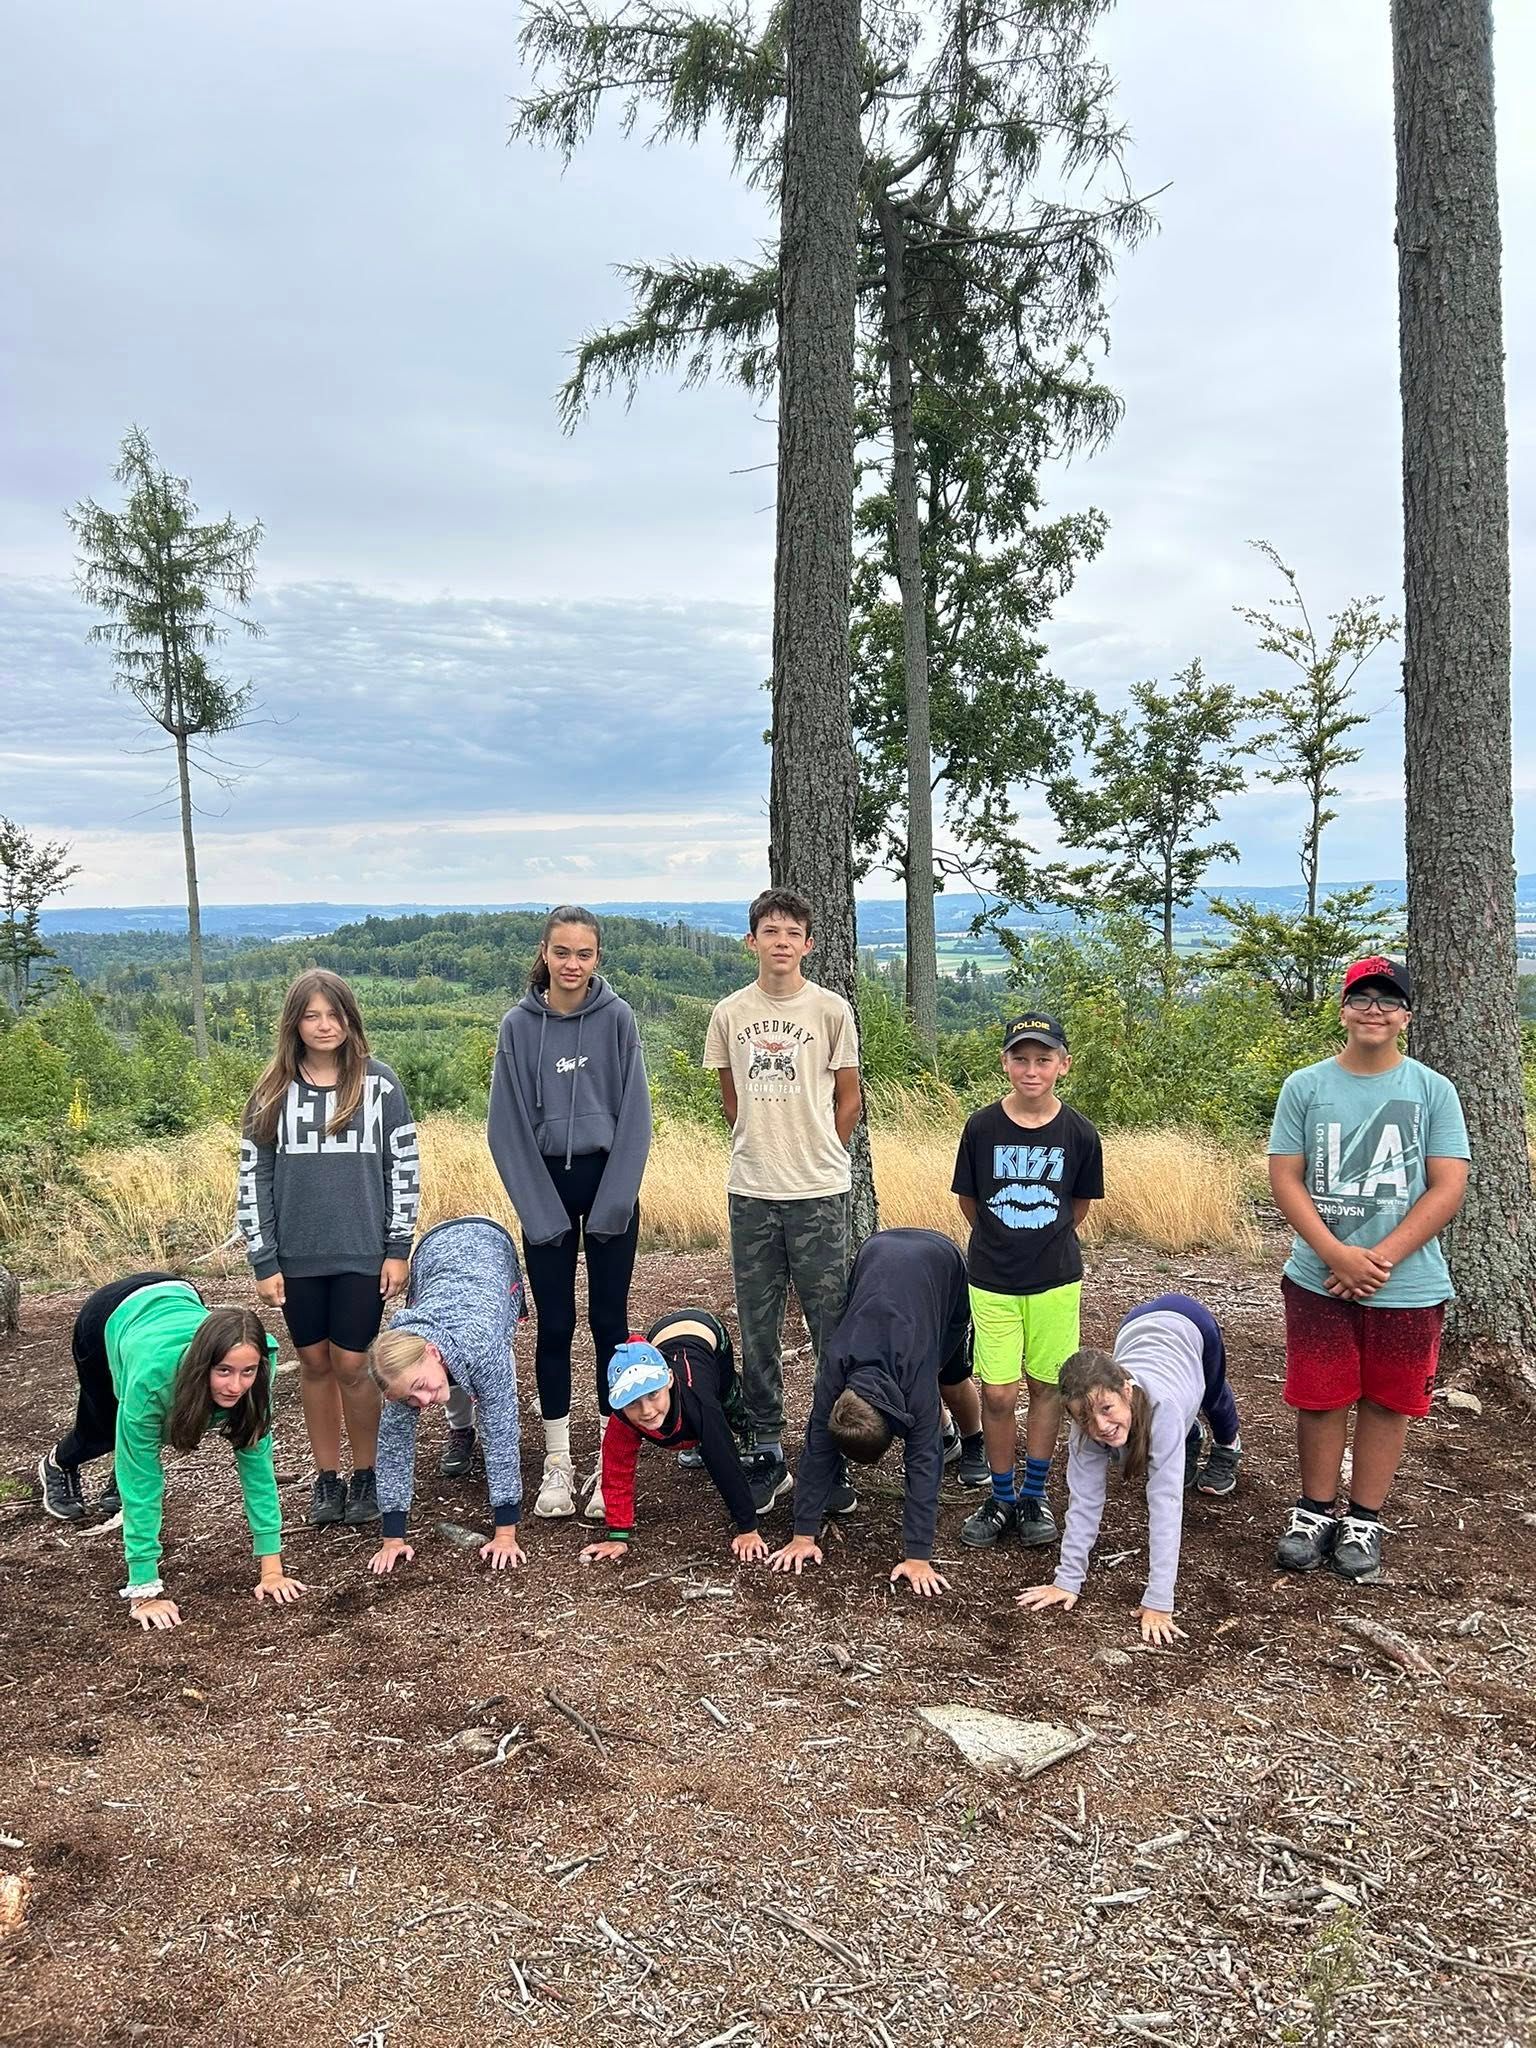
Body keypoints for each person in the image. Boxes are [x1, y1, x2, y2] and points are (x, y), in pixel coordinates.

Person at [1267, 956, 1469, 1585]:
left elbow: (1448, 1184)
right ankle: (1313, 1511)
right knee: (1320, 1398)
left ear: (1406, 1015)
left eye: (1388, 1000)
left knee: (1387, 1403)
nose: (1373, 1009)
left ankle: (1363, 1520)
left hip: (1407, 1284)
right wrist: (1336, 1254)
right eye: (1361, 997)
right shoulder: (1306, 1087)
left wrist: (1377, 1259)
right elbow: (1285, 1176)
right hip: (1318, 1278)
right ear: (1343, 1009)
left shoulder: (1433, 1091)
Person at [487, 906, 651, 1527]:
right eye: (562, 952)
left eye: (584, 954)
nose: (572, 964)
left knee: (610, 1324)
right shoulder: (517, 1026)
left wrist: (615, 1201)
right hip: (545, 1187)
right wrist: (538, 1209)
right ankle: (558, 1460)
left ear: (597, 958)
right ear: (545, 953)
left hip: (608, 1181)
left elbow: (636, 1116)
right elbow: (504, 1127)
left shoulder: (617, 1018)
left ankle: (611, 1462)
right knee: (555, 1325)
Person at [237, 969, 419, 1530]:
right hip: (297, 1256)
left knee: (353, 1363)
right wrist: (263, 1259)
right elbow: (253, 1178)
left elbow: (403, 1169)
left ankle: (367, 1473)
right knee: (315, 1364)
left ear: (350, 1019)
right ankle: (327, 1476)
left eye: (333, 1014)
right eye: (311, 1015)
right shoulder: (271, 1091)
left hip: (363, 1252)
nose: (324, 1025)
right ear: (294, 1023)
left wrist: (398, 1246)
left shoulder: (380, 1085)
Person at [703, 887, 862, 1515]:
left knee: (830, 1325)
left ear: (808, 944)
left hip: (818, 1190)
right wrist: (760, 1144)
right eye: (770, 931)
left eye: (793, 933)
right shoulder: (729, 1013)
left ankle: (829, 1447)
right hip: (752, 1189)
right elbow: (730, 1096)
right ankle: (766, 1444)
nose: (781, 942)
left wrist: (823, 1149)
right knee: (758, 1323)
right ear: (752, 941)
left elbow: (849, 1096)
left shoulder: (831, 1011)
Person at [37, 1273, 306, 1631]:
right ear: (203, 1363)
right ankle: (59, 1463)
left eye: (247, 1371)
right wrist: (144, 1590)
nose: (235, 1385)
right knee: (102, 1433)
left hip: (177, 1294)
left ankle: (128, 1457)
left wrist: (272, 1571)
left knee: (140, 1438)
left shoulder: (256, 1381)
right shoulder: (151, 1384)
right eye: (223, 1371)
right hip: (110, 1313)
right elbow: (144, 1483)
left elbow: (259, 1471)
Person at [951, 1011, 1103, 1551]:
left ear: (1064, 1064)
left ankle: (1033, 1494)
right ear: (1005, 1063)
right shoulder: (982, 1127)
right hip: (992, 1279)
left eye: (1043, 1059)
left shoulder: (1080, 1133)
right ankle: (1000, 1496)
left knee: (1047, 1386)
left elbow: (1078, 1206)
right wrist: (1002, 1242)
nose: (1031, 1070)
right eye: (1021, 1059)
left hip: (1055, 1281)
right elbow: (970, 1200)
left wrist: (1041, 1242)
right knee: (997, 1391)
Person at [769, 1228, 986, 1598]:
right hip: (876, 1251)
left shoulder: (917, 1378)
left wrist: (918, 1556)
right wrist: (803, 1534)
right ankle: (950, 1432)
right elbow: (817, 1446)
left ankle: (972, 1439)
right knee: (930, 1375)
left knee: (949, 1376)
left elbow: (923, 1462)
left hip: (945, 1262)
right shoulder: (836, 1366)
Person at [1016, 1295, 1243, 1646]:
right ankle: (1189, 1434)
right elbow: (1084, 1501)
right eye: (1085, 1418)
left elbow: (1166, 1504)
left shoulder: (1163, 1407)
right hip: (1136, 1326)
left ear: (1126, 1389)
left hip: (1191, 1326)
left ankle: (1228, 1443)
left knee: (1211, 1396)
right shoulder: (1087, 1425)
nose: (1100, 1426)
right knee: (1141, 1432)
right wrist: (1067, 1580)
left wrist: (1159, 1600)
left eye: (1107, 1408)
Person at [366, 1216, 530, 1576]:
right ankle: (461, 1429)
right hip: (432, 1255)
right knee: (444, 1383)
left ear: (432, 1352)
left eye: (420, 1386)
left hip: (490, 1249)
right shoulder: (395, 1363)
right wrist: (392, 1536)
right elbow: (393, 1447)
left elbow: (501, 1431)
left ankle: (469, 1420)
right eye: (411, 1398)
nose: (423, 1401)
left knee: (490, 1388)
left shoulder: (482, 1346)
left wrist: (505, 1532)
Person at [579, 1317, 767, 1566]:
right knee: (702, 1430)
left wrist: (748, 1528)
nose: (646, 1411)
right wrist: (618, 1534)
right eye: (632, 1402)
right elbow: (616, 1470)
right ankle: (697, 1437)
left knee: (729, 1405)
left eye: (652, 1394)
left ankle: (752, 1438)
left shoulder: (701, 1404)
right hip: (662, 1333)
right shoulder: (622, 1420)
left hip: (707, 1331)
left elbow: (725, 1462)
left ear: (668, 1379)